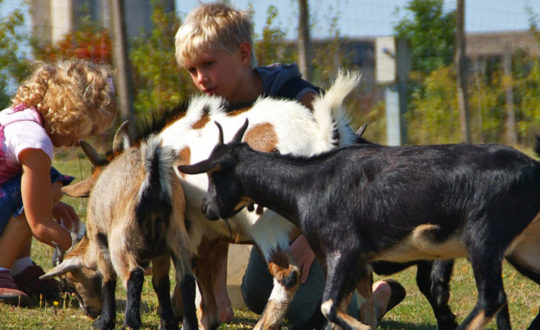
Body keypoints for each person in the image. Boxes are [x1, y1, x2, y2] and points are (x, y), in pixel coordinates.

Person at [175, 2, 406, 328]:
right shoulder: (214, 113)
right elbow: (216, 197)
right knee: (256, 294)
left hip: (333, 222)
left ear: (243, 55)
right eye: (191, 70)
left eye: (208, 64)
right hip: (278, 224)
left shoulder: (295, 97)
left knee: (303, 313)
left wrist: (310, 244)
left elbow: (347, 172)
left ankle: (375, 295)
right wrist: (217, 294)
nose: (200, 78)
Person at [0, 59, 117, 306]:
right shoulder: (35, 141)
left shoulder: (20, 119)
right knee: (42, 190)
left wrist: (51, 203)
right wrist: (89, 249)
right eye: (90, 129)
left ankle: (19, 270)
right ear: (73, 113)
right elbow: (39, 224)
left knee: (49, 185)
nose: (83, 140)